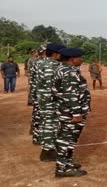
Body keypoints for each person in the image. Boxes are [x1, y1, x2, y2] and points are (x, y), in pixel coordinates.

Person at [53, 47, 90, 177]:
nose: (82, 59)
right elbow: (70, 94)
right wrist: (76, 113)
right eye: (80, 57)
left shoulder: (64, 69)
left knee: (70, 139)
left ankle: (67, 162)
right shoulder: (69, 73)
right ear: (72, 59)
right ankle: (62, 169)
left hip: (66, 110)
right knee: (65, 140)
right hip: (69, 113)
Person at [36, 43, 66, 162]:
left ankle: (47, 149)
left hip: (45, 99)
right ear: (55, 54)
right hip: (50, 100)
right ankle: (48, 152)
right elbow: (51, 86)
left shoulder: (44, 62)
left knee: (47, 123)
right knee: (50, 124)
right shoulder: (50, 65)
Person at [30, 45, 46, 144]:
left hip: (36, 94)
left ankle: (36, 137)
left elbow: (31, 81)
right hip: (43, 95)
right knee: (42, 117)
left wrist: (33, 95)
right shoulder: (43, 63)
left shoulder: (36, 63)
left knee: (36, 115)